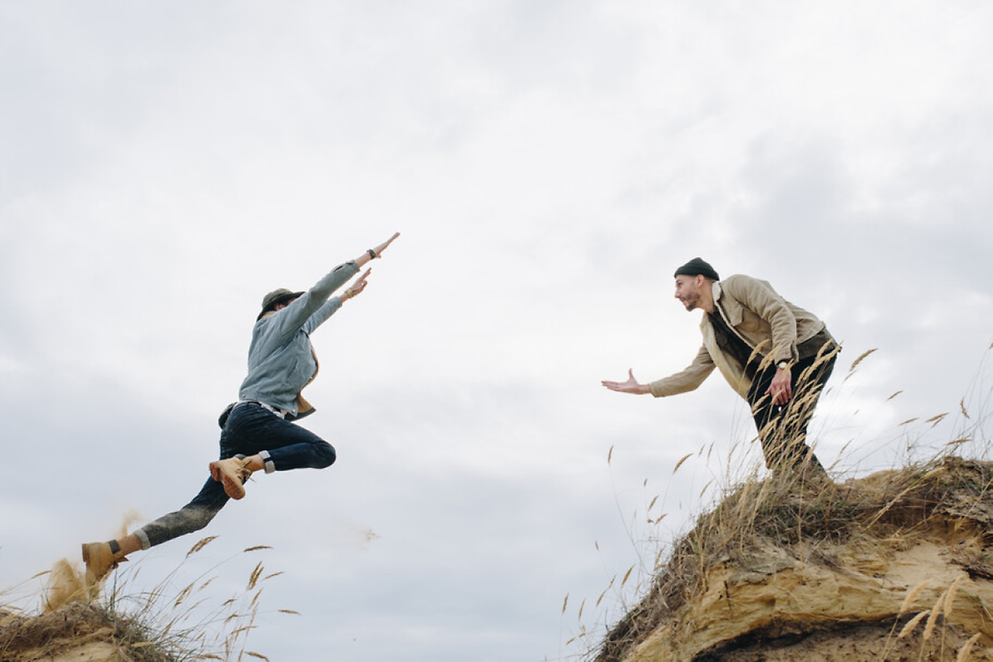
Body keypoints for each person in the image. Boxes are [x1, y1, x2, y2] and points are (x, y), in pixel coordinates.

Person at [82, 232, 401, 583]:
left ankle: (111, 551)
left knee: (199, 514)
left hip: (242, 425)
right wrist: (366, 256)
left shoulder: (289, 332)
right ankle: (243, 465)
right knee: (322, 451)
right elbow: (314, 297)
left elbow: (318, 310)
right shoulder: (275, 325)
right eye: (292, 306)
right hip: (255, 418)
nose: (302, 312)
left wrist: (346, 298)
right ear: (279, 307)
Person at [601, 257, 839, 480]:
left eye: (679, 284)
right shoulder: (710, 329)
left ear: (699, 279)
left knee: (786, 423)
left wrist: (783, 366)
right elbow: (694, 375)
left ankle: (794, 481)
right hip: (781, 365)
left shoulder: (737, 286)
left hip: (810, 347)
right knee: (763, 402)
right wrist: (644, 388)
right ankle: (795, 480)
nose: (676, 294)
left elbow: (780, 315)